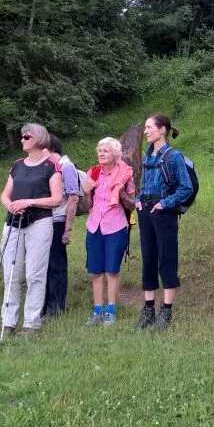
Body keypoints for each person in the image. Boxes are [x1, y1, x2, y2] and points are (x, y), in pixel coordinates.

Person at [0, 123, 63, 336]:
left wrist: (29, 202)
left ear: (38, 139)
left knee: (35, 273)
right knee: (11, 273)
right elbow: (5, 195)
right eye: (22, 136)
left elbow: (57, 198)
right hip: (13, 223)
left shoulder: (51, 166)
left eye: (27, 136)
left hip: (39, 223)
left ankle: (31, 323)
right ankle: (8, 322)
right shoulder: (17, 165)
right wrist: (11, 205)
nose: (22, 139)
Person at [135, 114, 193, 331]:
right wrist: (138, 201)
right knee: (148, 258)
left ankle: (166, 311)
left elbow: (185, 188)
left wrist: (165, 203)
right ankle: (148, 309)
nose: (146, 131)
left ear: (162, 130)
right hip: (145, 212)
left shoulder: (174, 156)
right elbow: (142, 185)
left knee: (167, 258)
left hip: (164, 212)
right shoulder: (146, 157)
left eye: (149, 127)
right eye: (145, 127)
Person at [81, 137, 136, 326]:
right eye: (99, 150)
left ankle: (110, 311)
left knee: (112, 270)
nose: (101, 153)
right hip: (94, 225)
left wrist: (120, 193)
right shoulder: (93, 172)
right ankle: (97, 310)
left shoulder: (125, 174)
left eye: (105, 150)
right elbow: (87, 205)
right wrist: (87, 191)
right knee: (96, 271)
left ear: (115, 154)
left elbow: (132, 204)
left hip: (115, 226)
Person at [41, 135, 81, 319]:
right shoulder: (49, 168)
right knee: (45, 265)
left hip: (58, 222)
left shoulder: (66, 167)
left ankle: (56, 307)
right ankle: (46, 305)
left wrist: (68, 229)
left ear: (49, 149)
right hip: (44, 221)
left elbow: (73, 198)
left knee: (57, 265)